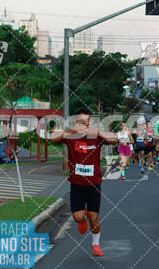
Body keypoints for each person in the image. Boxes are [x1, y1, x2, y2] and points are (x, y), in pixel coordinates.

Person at [50, 107, 117, 256]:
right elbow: (52, 138)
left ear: (90, 122)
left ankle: (96, 245)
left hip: (94, 184)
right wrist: (71, 130)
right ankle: (82, 218)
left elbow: (114, 139)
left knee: (94, 218)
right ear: (76, 122)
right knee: (78, 217)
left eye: (85, 121)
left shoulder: (96, 136)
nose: (82, 124)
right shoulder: (70, 136)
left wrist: (98, 132)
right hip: (76, 184)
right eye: (79, 121)